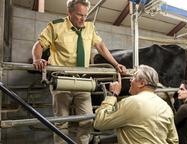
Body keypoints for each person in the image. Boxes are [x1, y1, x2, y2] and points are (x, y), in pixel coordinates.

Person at [31, 0, 126, 143]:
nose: (83, 19)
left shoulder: (90, 27)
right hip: (61, 80)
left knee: (87, 119)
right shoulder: (56, 26)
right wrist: (37, 59)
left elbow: (100, 45)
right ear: (69, 13)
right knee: (61, 121)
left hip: (82, 80)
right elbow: (39, 45)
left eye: (86, 15)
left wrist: (116, 64)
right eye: (79, 15)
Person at [94, 64, 179, 144]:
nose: (130, 80)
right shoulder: (166, 107)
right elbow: (174, 140)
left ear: (142, 83)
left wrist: (113, 94)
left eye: (133, 77)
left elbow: (100, 122)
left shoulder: (130, 103)